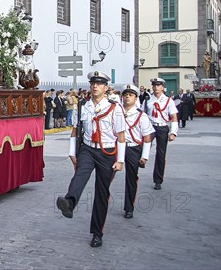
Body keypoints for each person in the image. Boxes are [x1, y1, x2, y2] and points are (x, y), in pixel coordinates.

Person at [56, 71, 126, 248]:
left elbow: (121, 135)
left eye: (99, 84)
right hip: (87, 148)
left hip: (107, 152)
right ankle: (69, 202)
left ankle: (97, 232)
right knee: (80, 175)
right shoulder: (83, 106)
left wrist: (121, 160)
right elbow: (75, 130)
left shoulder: (114, 108)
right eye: (93, 83)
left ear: (105, 88)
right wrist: (72, 152)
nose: (95, 86)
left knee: (102, 192)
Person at [120, 84, 154, 219]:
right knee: (107, 176)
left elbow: (147, 137)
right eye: (125, 95)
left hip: (133, 148)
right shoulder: (116, 112)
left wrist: (144, 156)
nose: (127, 97)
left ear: (135, 98)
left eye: (131, 95)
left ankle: (129, 207)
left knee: (131, 178)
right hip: (117, 147)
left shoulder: (142, 116)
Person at [141, 77, 179, 190]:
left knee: (160, 154)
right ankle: (142, 159)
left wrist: (173, 133)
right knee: (141, 145)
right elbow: (141, 115)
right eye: (154, 85)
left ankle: (158, 180)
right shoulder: (148, 100)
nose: (156, 87)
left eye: (158, 85)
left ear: (162, 87)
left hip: (162, 127)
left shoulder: (168, 101)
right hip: (150, 126)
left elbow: (174, 117)